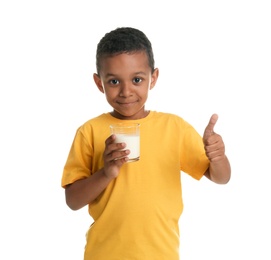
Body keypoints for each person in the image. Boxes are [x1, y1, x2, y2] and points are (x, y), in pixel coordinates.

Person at [61, 27, 231, 259]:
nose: (126, 91)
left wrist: (218, 157)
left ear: (154, 78)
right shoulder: (89, 131)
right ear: (99, 83)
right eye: (113, 81)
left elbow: (221, 178)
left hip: (161, 254)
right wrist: (106, 173)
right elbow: (72, 201)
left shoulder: (174, 128)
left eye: (137, 79)